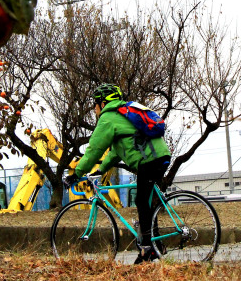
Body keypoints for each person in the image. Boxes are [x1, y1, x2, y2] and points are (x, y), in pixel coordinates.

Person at [63, 83, 171, 264]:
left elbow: (94, 149)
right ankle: (156, 245)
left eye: (95, 104)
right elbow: (114, 152)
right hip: (159, 156)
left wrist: (76, 173)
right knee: (148, 203)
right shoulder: (122, 115)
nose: (94, 108)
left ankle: (147, 249)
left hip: (150, 160)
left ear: (103, 103)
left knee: (141, 200)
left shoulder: (108, 118)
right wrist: (100, 170)